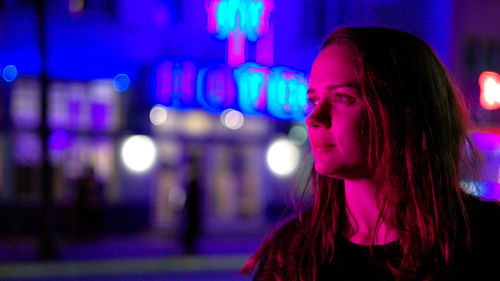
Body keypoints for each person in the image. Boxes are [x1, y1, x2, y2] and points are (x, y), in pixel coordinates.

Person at [240, 27, 500, 281]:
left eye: (342, 98)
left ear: (403, 112)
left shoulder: (484, 240)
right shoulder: (292, 255)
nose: (314, 118)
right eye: (315, 100)